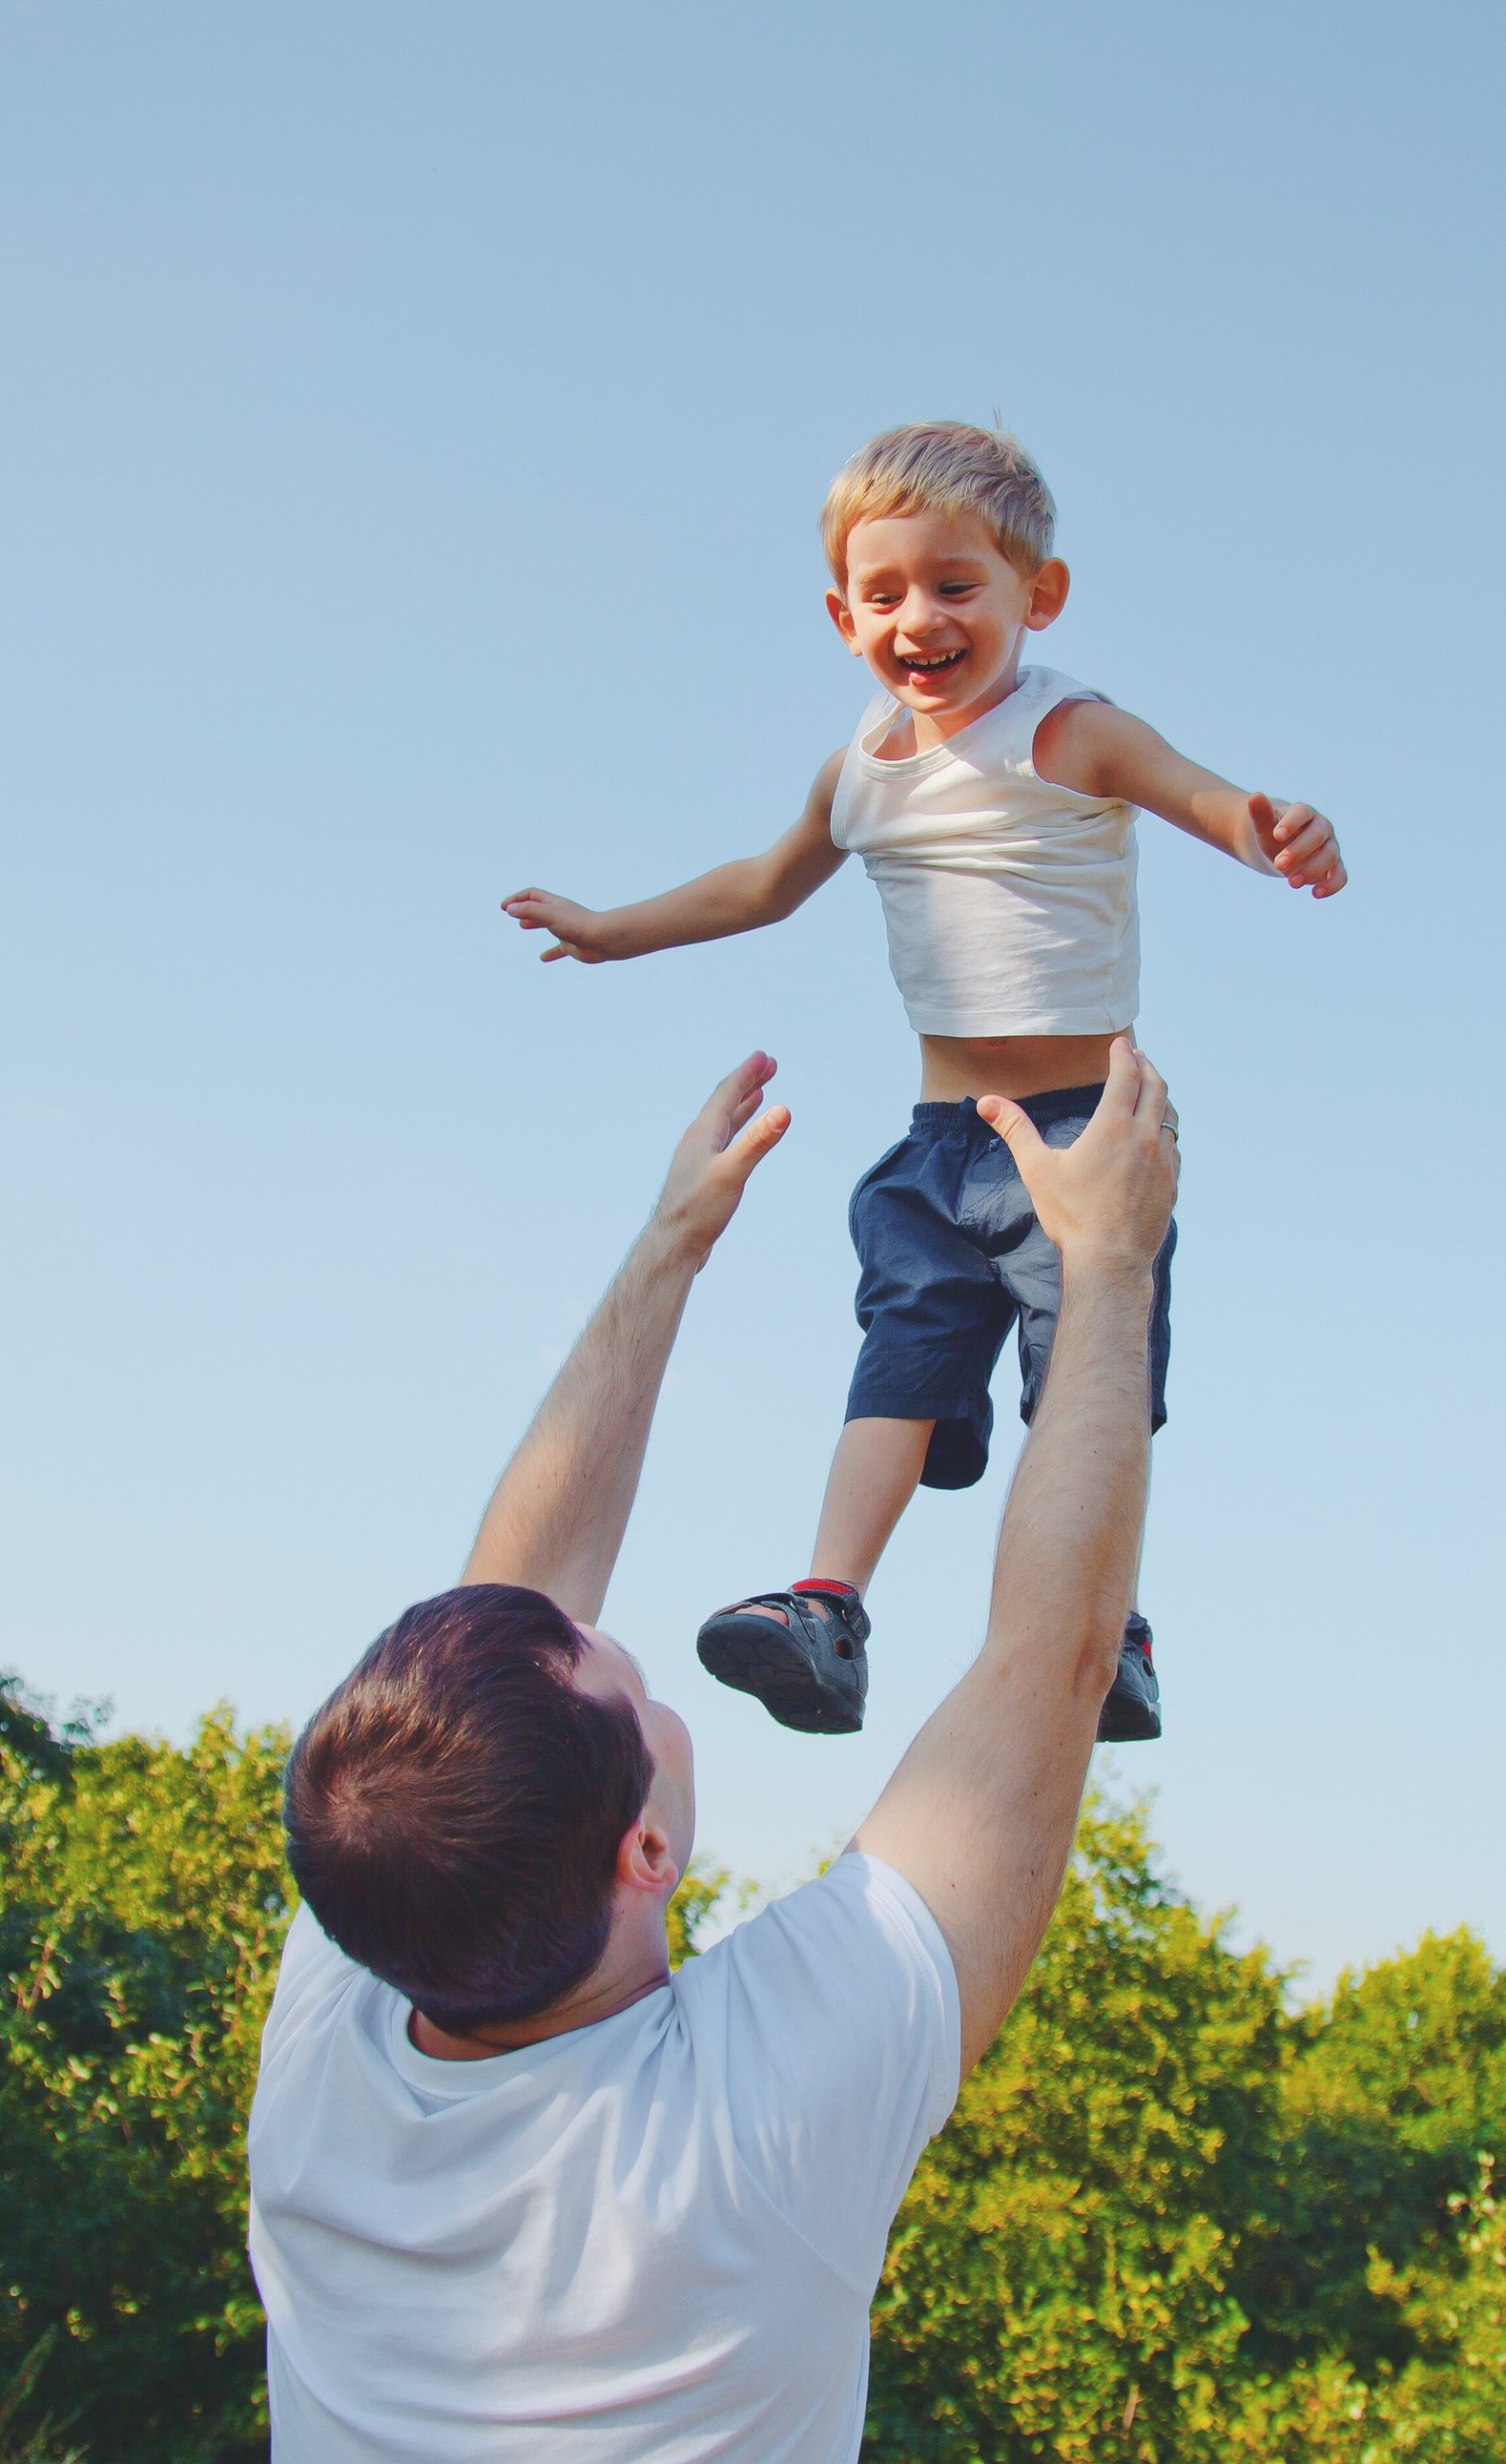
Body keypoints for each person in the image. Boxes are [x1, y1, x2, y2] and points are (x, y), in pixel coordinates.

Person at [107, 1037, 1181, 2464]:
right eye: (624, 1697)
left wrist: (666, 1251)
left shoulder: (347, 2015)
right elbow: (1047, 1673)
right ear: (639, 1859)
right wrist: (1109, 1282)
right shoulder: (747, 2134)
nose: (622, 1657)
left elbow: (509, 1607)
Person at [503, 417, 1343, 1748]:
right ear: (843, 614)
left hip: (1079, 1143)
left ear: (1036, 597)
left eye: (958, 587)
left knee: (1086, 1378)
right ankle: (826, 1612)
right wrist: (614, 927)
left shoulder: (1068, 730)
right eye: (886, 594)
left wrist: (1274, 830)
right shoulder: (863, 771)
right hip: (938, 1143)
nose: (921, 619)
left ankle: (1103, 1626)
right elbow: (760, 886)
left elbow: (1202, 798)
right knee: (897, 1359)